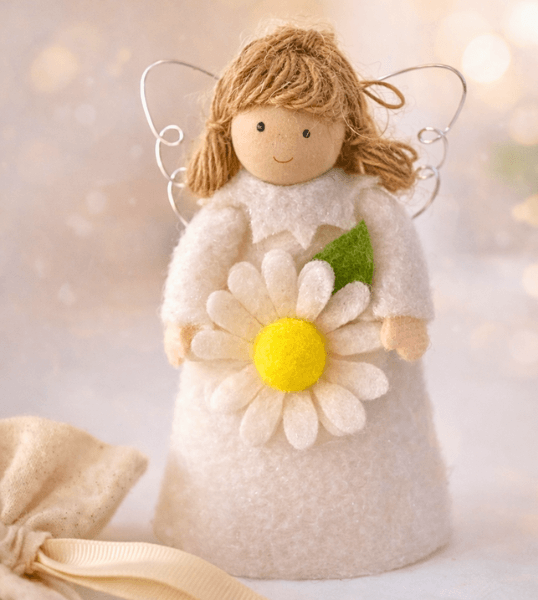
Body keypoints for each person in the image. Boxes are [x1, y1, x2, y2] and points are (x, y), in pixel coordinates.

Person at [154, 24, 450, 580]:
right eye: (262, 126)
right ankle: (217, 524)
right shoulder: (230, 209)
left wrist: (403, 311)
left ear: (343, 128)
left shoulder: (363, 202)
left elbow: (396, 251)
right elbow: (198, 262)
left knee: (364, 443)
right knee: (233, 443)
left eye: (309, 129)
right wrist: (185, 319)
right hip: (236, 363)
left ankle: (380, 525)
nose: (284, 145)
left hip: (361, 362)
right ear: (232, 126)